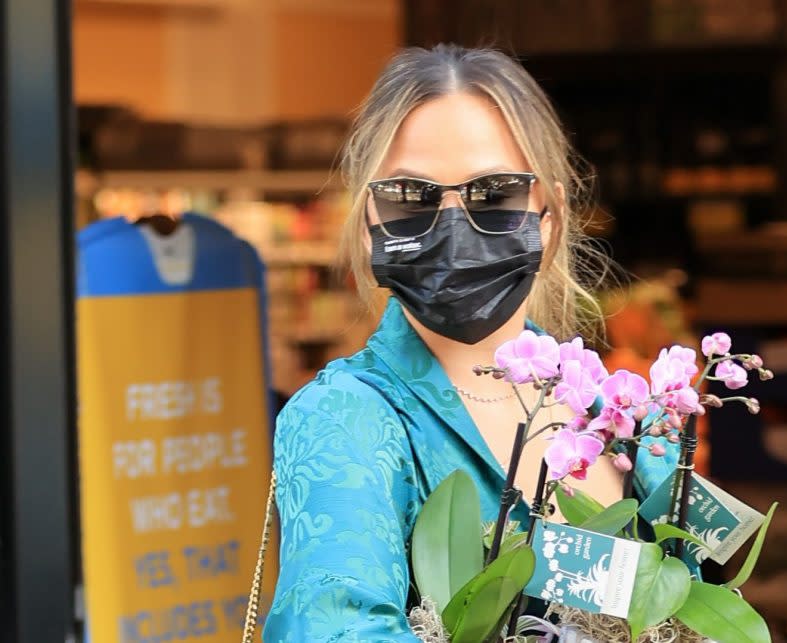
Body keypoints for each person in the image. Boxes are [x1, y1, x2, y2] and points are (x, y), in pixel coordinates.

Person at [263, 43, 675, 642]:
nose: (453, 225)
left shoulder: (621, 420)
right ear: (369, 220)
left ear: (549, 213)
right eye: (411, 196)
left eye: (494, 192)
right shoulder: (348, 419)